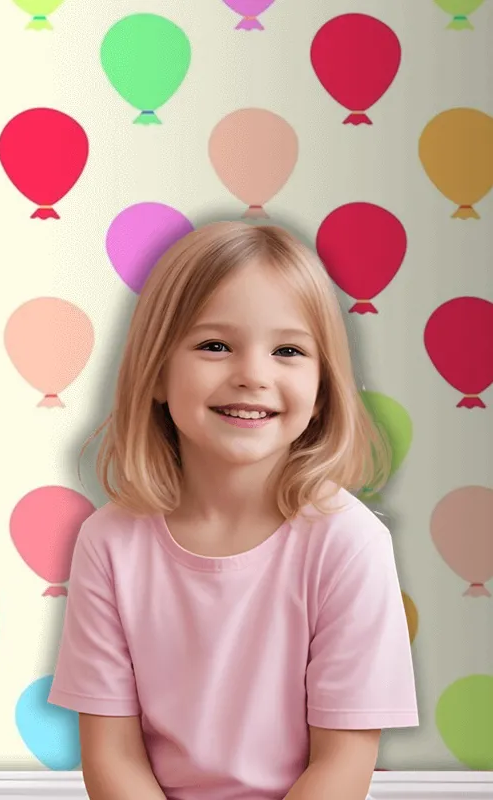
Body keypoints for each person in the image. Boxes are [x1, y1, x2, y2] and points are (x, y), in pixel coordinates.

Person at [48, 222, 419, 800]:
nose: (253, 375)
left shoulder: (350, 543)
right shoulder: (109, 541)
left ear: (322, 389)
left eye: (288, 351)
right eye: (214, 345)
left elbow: (342, 764)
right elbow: (111, 753)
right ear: (157, 372)